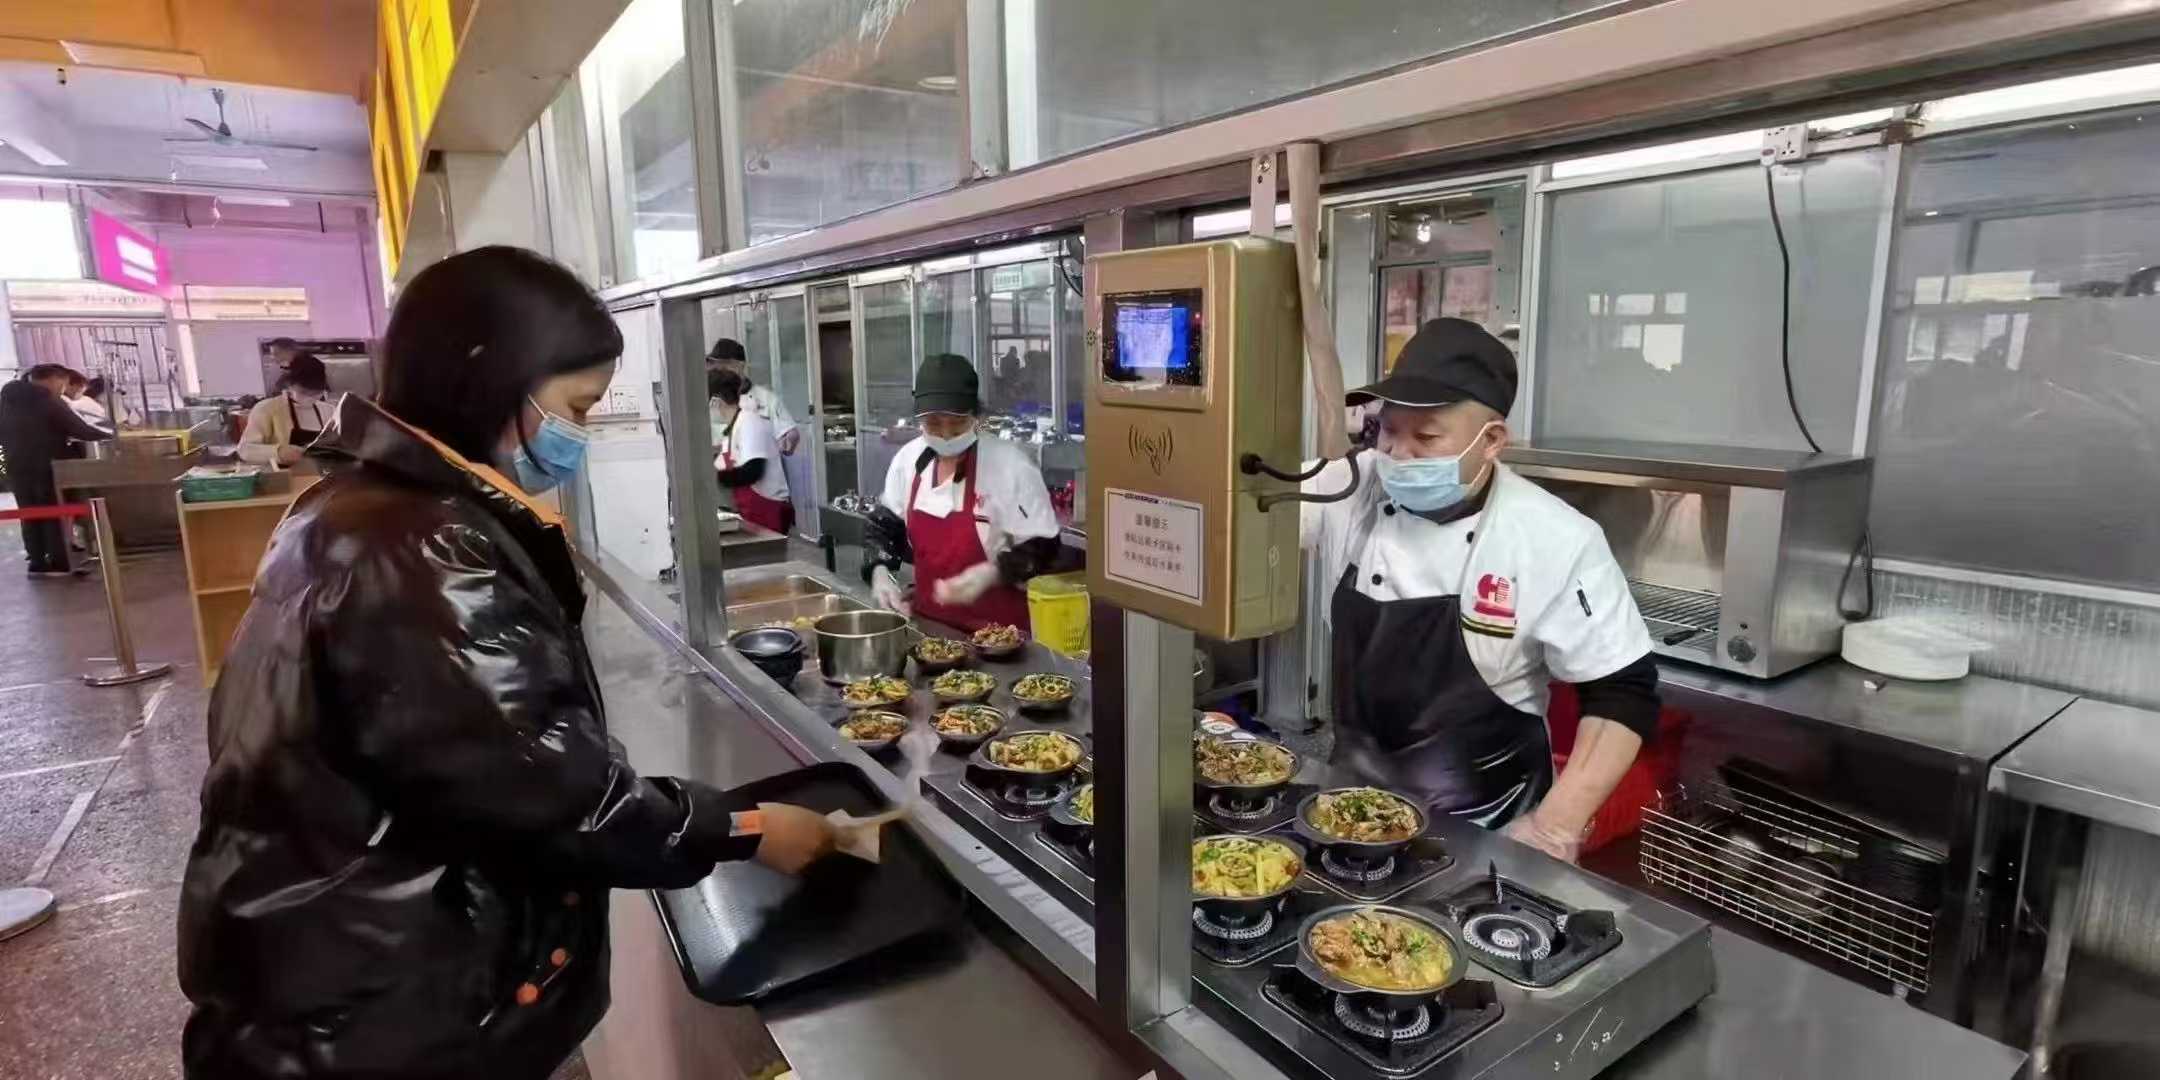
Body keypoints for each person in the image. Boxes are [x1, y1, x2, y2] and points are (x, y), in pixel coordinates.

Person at [178, 247, 837, 1080]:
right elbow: (557, 797)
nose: (580, 436)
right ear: (491, 380)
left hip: (327, 983)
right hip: (376, 1018)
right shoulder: (424, 547)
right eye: (576, 408)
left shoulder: (347, 506)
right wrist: (744, 829)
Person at [1301, 319, 1660, 864]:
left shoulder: (1554, 537)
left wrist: (1554, 827)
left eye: (1426, 438)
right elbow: (1242, 502)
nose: (1398, 454)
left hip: (1491, 831)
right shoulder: (1350, 483)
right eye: (1388, 430)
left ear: (1491, 441)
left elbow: (1623, 691)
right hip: (1350, 810)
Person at [861, 352, 1061, 631]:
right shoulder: (908, 460)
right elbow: (884, 527)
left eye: (957, 424)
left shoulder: (1011, 466)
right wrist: (880, 573)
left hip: (999, 637)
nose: (945, 435)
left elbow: (1043, 546)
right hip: (929, 628)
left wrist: (994, 573)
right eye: (933, 423)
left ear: (975, 416)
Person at [0, 364, 113, 577]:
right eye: (62, 384)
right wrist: (111, 435)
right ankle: (58, 563)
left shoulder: (7, 400)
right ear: (53, 379)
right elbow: (79, 429)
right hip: (47, 465)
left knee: (29, 513)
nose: (62, 390)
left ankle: (37, 562)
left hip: (16, 466)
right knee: (53, 512)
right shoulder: (47, 400)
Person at [710, 367, 792, 534]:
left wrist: (716, 477)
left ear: (716, 402)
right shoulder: (735, 425)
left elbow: (753, 470)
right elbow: (727, 461)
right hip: (754, 509)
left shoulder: (749, 421)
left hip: (768, 509)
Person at [705, 336, 800, 455]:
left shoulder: (766, 398)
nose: (719, 371)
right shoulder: (706, 399)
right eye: (715, 366)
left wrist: (788, 440)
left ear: (740, 365)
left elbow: (790, 431)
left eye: (724, 365)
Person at [236, 352, 332, 468]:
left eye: (316, 393)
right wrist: (278, 452)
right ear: (290, 385)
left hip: (320, 475)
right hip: (282, 476)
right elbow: (245, 450)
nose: (310, 397)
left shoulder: (328, 410)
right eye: (304, 392)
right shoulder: (267, 409)